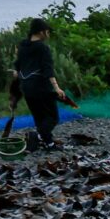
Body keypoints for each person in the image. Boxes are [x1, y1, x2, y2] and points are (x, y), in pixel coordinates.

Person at [13, 17, 68, 150]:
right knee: (52, 117)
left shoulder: (23, 46)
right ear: (41, 32)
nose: (48, 34)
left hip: (26, 87)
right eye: (47, 31)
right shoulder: (43, 48)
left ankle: (49, 143)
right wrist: (57, 88)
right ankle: (37, 136)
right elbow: (47, 69)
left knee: (39, 116)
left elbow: (17, 66)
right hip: (41, 86)